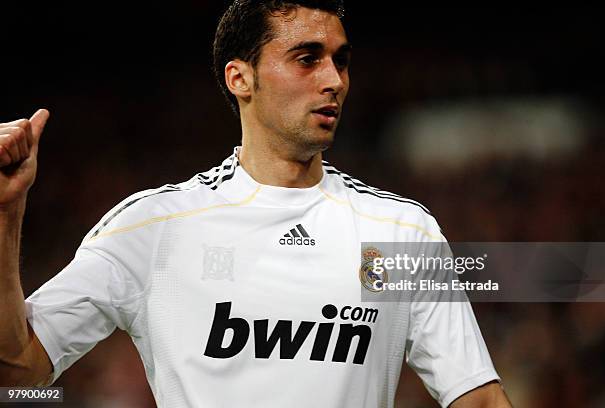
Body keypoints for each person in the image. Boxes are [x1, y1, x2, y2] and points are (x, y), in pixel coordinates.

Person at [0, 1, 513, 406]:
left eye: (341, 60)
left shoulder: (398, 232)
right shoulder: (155, 228)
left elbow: (478, 397)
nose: (333, 79)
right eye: (307, 58)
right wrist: (6, 213)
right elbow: (18, 370)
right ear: (239, 78)